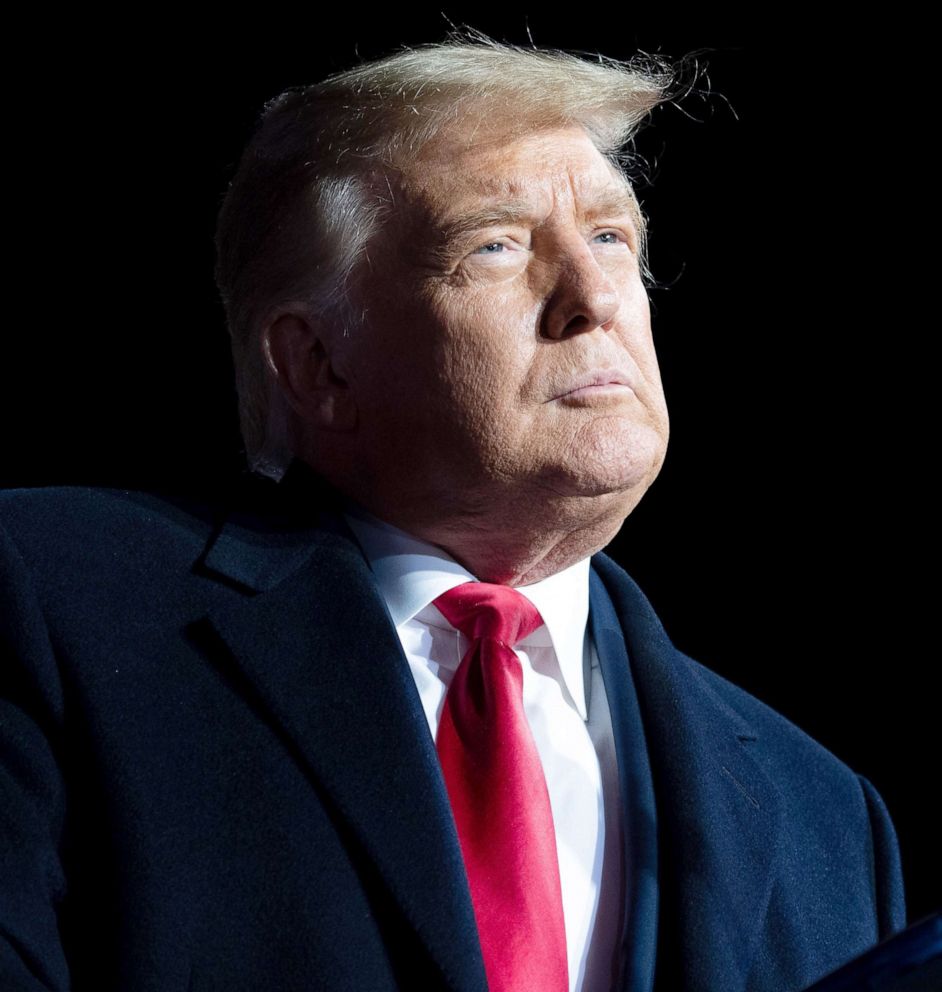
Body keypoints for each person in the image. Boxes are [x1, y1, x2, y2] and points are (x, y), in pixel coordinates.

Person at [0, 37, 906, 992]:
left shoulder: (828, 819)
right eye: (496, 245)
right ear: (320, 365)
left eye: (611, 238)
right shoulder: (54, 606)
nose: (594, 299)